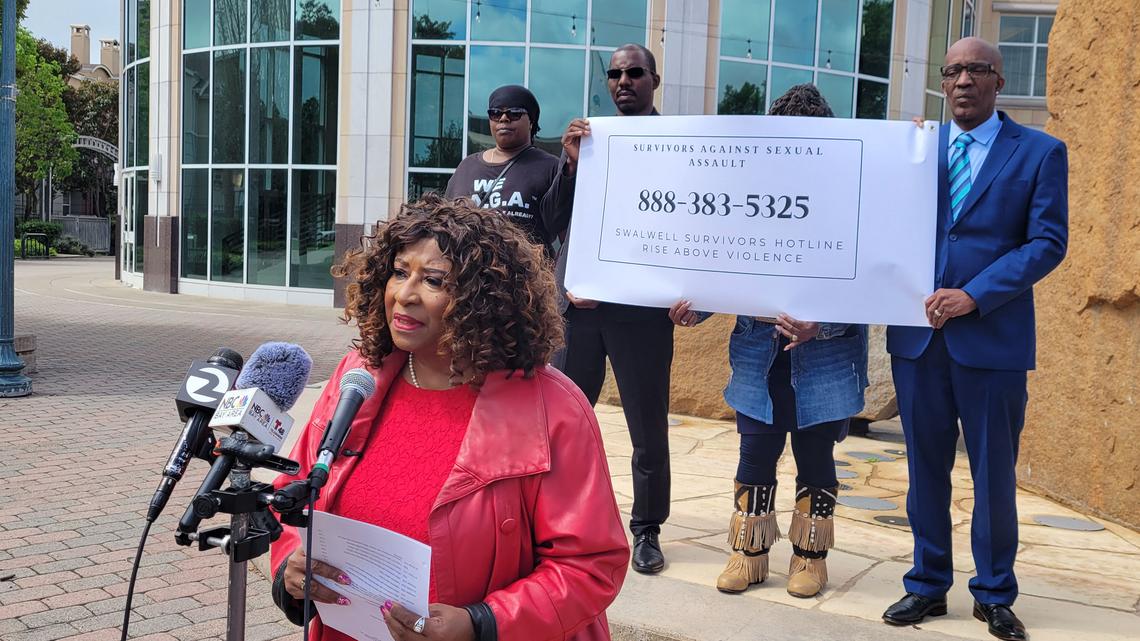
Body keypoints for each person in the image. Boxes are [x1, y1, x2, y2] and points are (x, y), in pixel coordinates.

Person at [269, 195, 629, 641]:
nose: (404, 294)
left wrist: (482, 624)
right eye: (399, 273)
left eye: (434, 280)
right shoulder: (358, 377)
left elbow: (589, 565)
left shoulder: (552, 408)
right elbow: (295, 494)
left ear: (484, 299)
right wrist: (292, 569)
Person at [882, 37, 1068, 641]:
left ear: (999, 80)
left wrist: (975, 294)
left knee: (992, 474)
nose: (963, 80)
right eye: (953, 71)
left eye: (976, 70)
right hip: (918, 342)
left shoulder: (1040, 152)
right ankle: (927, 586)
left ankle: (993, 594)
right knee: (923, 470)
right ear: (943, 82)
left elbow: (1047, 243)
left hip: (991, 340)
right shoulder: (917, 148)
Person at [669, 83, 869, 599]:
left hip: (824, 359)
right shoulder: (749, 198)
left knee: (816, 461)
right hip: (760, 357)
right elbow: (727, 268)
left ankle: (811, 559)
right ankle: (749, 554)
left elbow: (871, 287)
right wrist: (695, 309)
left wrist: (819, 326)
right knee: (754, 457)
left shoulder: (854, 198)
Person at [541, 43, 675, 575]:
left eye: (634, 73)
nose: (624, 81)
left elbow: (688, 230)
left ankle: (647, 529)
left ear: (653, 80)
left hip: (640, 314)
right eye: (616, 74)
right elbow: (552, 223)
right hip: (580, 310)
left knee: (648, 426)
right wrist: (570, 164)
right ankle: (558, 520)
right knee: (562, 421)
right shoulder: (587, 141)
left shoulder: (678, 145)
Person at [445, 84, 560, 256]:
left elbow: (567, 235)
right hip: (470, 277)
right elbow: (445, 224)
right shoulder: (466, 167)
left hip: (524, 278)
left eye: (514, 113)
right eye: (495, 113)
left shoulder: (551, 167)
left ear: (531, 121)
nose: (503, 118)